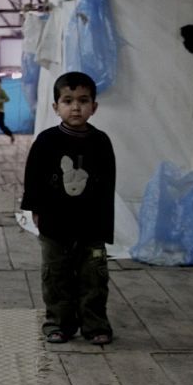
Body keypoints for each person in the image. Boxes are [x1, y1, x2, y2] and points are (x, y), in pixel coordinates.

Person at [20, 71, 115, 346]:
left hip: (91, 225)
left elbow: (108, 185)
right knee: (56, 276)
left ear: (94, 107)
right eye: (68, 100)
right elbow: (33, 178)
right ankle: (59, 324)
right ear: (55, 107)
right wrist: (34, 210)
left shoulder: (101, 142)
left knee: (94, 276)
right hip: (54, 223)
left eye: (83, 100)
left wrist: (105, 226)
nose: (76, 107)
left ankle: (95, 324)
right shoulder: (47, 142)